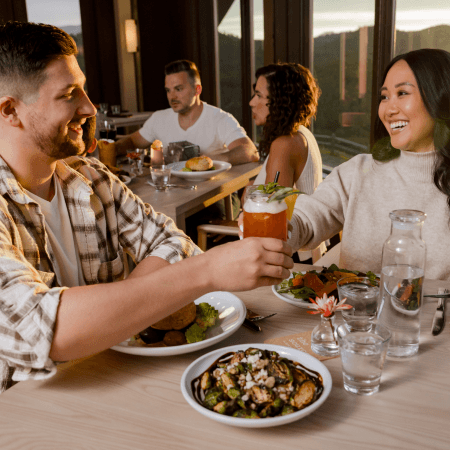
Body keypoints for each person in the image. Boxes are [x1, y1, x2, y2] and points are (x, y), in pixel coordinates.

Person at [0, 21, 294, 392]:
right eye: (70, 94)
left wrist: (112, 317)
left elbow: (173, 242)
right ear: (10, 110)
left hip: (111, 381)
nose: (89, 107)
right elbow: (47, 329)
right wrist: (207, 271)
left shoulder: (89, 176)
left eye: (84, 89)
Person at [286, 48, 450, 280]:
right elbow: (308, 223)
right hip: (353, 314)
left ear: (440, 98)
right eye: (384, 97)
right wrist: (279, 225)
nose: (389, 110)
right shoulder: (359, 171)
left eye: (402, 93)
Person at [244, 63, 326, 261]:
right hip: (309, 249)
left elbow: (272, 217)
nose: (252, 103)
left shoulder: (284, 145)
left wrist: (249, 193)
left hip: (291, 259)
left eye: (259, 96)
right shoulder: (301, 134)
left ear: (280, 101)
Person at [110, 60, 259, 165]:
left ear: (197, 89)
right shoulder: (159, 118)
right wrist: (111, 149)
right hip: (173, 191)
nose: (172, 96)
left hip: (214, 193)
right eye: (168, 90)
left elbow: (250, 151)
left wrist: (208, 159)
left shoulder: (220, 119)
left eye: (179, 89)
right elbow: (132, 141)